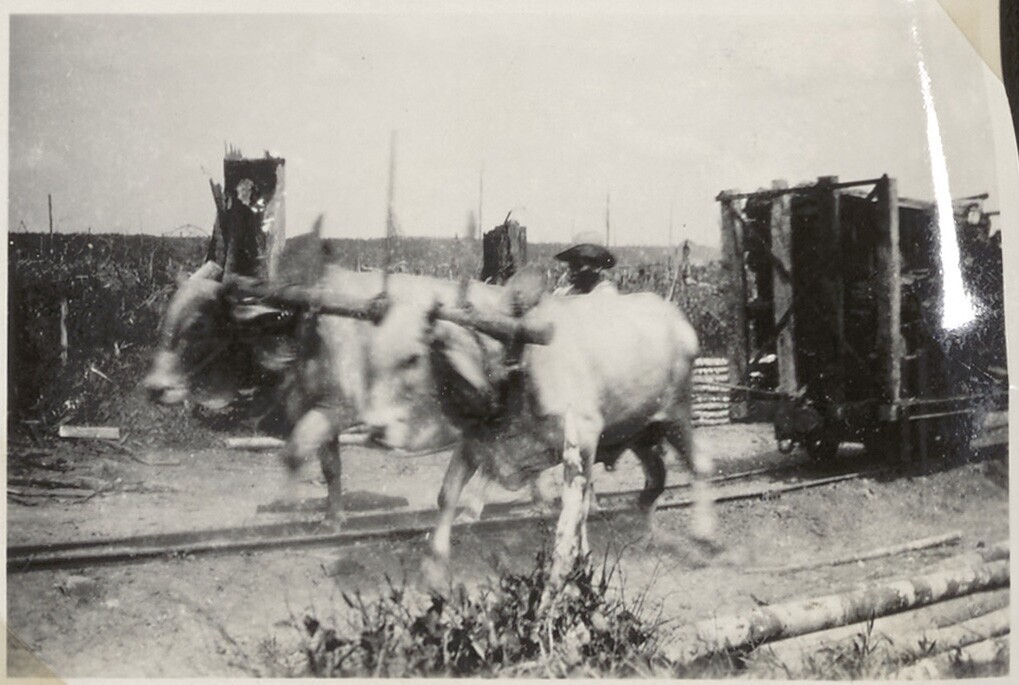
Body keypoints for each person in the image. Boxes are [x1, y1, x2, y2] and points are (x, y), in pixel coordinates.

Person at [553, 232, 618, 295]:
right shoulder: (563, 293)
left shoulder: (605, 293)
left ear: (597, 267)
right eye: (571, 266)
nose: (573, 271)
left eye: (578, 266)